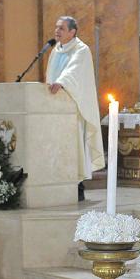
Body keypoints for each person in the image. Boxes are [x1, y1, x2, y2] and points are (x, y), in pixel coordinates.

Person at [45, 16, 105, 201]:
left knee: (75, 147)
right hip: (56, 109)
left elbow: (74, 72)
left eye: (61, 28)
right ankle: (58, 183)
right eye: (56, 27)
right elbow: (50, 75)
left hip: (74, 109)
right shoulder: (55, 50)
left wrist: (61, 82)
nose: (57, 31)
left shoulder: (82, 50)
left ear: (72, 32)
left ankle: (77, 185)